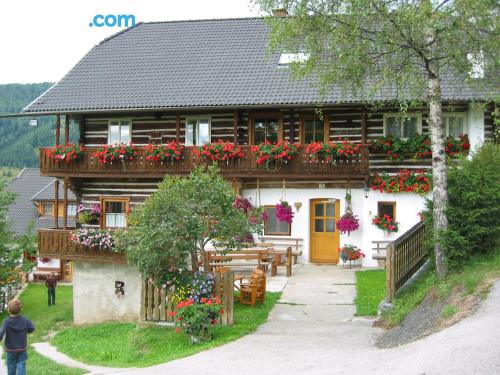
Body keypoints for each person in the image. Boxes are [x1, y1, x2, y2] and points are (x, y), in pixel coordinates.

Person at [0, 299, 35, 375]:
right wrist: (25, 331)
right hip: (22, 348)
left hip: (11, 349)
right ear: (20, 309)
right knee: (21, 364)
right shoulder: (25, 320)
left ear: (8, 310)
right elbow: (32, 328)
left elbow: (1, 334)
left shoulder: (6, 321)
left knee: (11, 365)